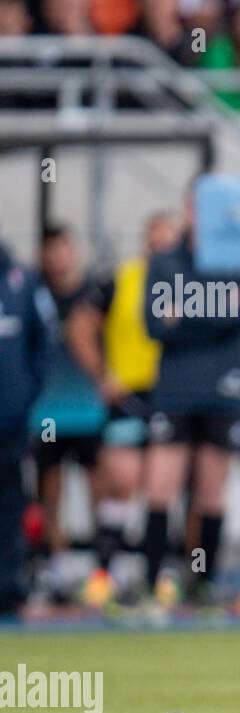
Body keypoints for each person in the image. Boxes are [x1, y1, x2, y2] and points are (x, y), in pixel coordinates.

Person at [142, 186, 240, 609]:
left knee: (212, 491)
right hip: (175, 389)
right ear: (188, 209)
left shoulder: (237, 261)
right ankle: (151, 581)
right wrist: (213, 313)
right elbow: (155, 325)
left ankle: (202, 582)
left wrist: (185, 314)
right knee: (160, 486)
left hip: (225, 389)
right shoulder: (164, 260)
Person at [77, 211, 181, 608]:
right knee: (122, 479)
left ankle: (156, 578)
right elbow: (80, 327)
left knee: (162, 486)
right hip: (127, 395)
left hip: (173, 397)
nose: (161, 249)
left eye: (169, 241)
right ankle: (104, 572)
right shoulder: (123, 279)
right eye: (155, 240)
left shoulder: (193, 285)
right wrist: (103, 375)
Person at [28, 225, 108, 604]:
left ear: (73, 251)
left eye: (63, 249)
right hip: (47, 414)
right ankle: (57, 572)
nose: (57, 257)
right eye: (50, 250)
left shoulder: (92, 296)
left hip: (88, 410)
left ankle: (101, 570)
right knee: (51, 489)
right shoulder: (33, 294)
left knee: (98, 488)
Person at [0, 239, 55, 617]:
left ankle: (9, 587)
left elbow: (45, 345)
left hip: (10, 422)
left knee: (10, 504)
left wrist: (23, 397)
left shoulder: (24, 281)